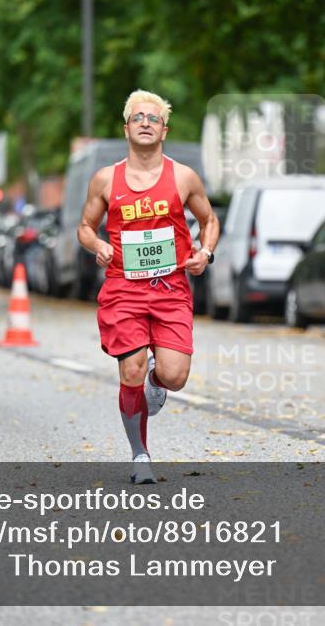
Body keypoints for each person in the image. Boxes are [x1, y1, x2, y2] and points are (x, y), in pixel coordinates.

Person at [78, 90, 220, 485]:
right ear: (126, 128)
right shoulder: (106, 179)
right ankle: (140, 455)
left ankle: (158, 383)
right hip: (124, 288)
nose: (145, 122)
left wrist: (205, 253)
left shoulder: (183, 177)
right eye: (137, 117)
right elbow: (85, 226)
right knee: (131, 370)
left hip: (171, 287)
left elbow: (209, 220)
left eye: (152, 118)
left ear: (164, 129)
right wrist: (98, 244)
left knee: (175, 376)